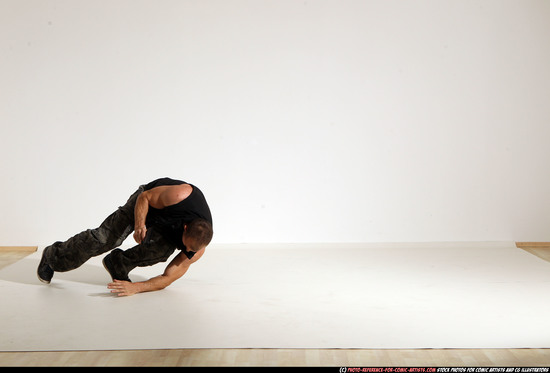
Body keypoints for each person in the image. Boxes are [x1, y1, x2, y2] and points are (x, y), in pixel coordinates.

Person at [37, 177, 213, 296]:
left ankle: (117, 263)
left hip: (166, 224)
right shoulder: (180, 195)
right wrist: (139, 225)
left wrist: (135, 288)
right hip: (146, 203)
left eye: (191, 250)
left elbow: (167, 278)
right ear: (185, 228)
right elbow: (145, 197)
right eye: (186, 246)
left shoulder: (196, 249)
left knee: (159, 252)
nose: (187, 252)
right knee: (106, 239)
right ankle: (53, 255)